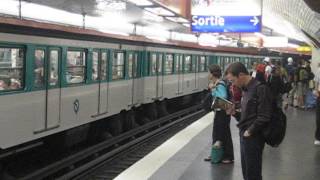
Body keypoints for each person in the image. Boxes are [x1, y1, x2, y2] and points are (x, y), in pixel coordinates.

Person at [225, 62, 272, 180]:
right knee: (246, 171)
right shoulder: (246, 89)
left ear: (241, 75)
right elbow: (247, 116)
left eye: (233, 80)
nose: (232, 84)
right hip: (245, 135)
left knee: (253, 173)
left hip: (254, 137)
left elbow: (264, 116)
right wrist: (235, 113)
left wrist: (250, 131)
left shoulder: (260, 88)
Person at [204, 64, 234, 164]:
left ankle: (228, 156)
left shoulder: (220, 84)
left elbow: (222, 97)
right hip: (219, 111)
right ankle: (215, 153)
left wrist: (213, 89)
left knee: (224, 133)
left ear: (213, 74)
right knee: (216, 133)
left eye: (209, 72)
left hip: (223, 112)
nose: (208, 74)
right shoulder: (216, 82)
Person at [313, 62, 320, 145]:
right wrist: (315, 90)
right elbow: (316, 81)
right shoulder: (319, 70)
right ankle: (318, 137)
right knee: (319, 118)